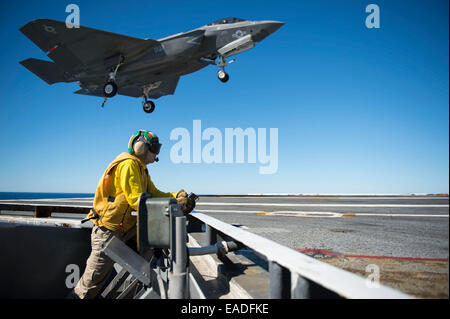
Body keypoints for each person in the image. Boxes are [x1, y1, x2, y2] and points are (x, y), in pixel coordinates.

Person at [70, 129, 195, 299]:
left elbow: (154, 192)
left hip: (124, 229)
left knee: (147, 251)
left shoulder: (141, 169)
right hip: (108, 232)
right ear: (142, 148)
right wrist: (171, 204)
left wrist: (176, 197)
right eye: (154, 149)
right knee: (89, 285)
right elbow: (136, 200)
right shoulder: (128, 165)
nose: (156, 154)